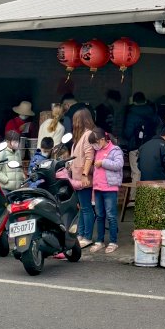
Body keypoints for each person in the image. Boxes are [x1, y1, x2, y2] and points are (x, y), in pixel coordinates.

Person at [89, 128, 123, 254]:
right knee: (100, 215)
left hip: (110, 188)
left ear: (102, 139)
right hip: (98, 187)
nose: (94, 145)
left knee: (111, 215)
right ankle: (100, 240)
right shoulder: (97, 151)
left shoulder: (115, 150)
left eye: (95, 142)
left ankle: (113, 241)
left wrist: (103, 162)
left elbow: (118, 164)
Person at [70, 109, 96, 248]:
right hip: (77, 179)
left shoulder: (88, 135)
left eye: (75, 120)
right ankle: (80, 234)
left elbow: (89, 156)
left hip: (83, 179)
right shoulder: (80, 136)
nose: (74, 123)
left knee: (86, 208)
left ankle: (87, 236)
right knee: (81, 208)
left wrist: (85, 174)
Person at [122, 92, 160, 183]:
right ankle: (147, 196)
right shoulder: (152, 112)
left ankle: (135, 196)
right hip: (150, 147)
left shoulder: (131, 114)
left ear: (134, 101)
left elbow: (127, 133)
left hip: (135, 147)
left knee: (136, 173)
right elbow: (158, 129)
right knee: (149, 172)